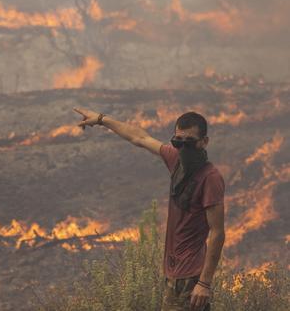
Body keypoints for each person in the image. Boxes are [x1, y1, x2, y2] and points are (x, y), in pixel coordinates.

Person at [74, 108, 225, 311]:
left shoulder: (210, 177)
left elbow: (217, 232)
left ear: (203, 142)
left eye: (188, 142)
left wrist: (204, 283)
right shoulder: (176, 160)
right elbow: (139, 137)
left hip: (189, 275)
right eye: (177, 142)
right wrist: (102, 120)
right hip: (174, 270)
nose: (182, 148)